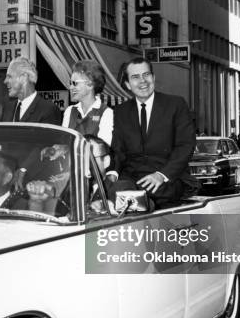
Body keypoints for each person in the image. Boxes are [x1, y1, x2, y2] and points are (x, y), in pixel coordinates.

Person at [105, 57, 197, 209]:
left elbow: (185, 145)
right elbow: (118, 150)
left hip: (167, 179)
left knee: (146, 197)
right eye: (135, 77)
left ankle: (145, 206)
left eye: (146, 75)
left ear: (153, 78)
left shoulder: (176, 105)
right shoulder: (121, 111)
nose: (143, 81)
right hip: (132, 179)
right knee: (111, 192)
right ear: (128, 84)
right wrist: (112, 173)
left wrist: (162, 175)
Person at [0, 56, 61, 125]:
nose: (5, 81)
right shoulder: (9, 105)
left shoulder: (48, 110)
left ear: (23, 77)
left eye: (9, 77)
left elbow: (51, 151)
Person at [62, 60, 113, 144]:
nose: (70, 87)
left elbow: (102, 150)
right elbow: (64, 143)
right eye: (70, 83)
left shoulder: (106, 113)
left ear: (90, 85)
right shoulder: (69, 111)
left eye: (75, 83)